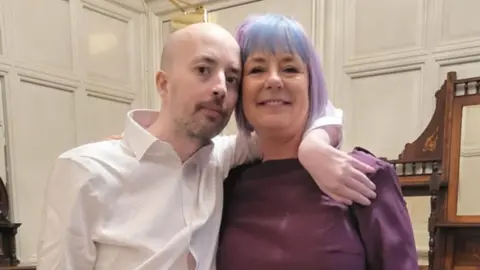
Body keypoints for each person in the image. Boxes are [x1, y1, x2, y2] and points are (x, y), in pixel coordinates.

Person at [36, 23, 375, 270]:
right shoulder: (85, 169)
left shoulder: (224, 159)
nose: (220, 89)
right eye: (203, 70)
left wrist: (313, 148)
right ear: (163, 83)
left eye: (231, 78)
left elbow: (309, 113)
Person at [217, 14, 419, 270]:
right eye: (257, 69)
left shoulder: (365, 174)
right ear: (239, 91)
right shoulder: (228, 185)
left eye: (290, 68)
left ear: (312, 86)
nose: (274, 80)